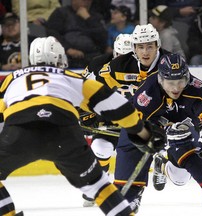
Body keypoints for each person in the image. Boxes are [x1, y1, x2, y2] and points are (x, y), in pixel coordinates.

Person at [0, 36, 166, 216]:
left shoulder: (10, 79)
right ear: (60, 58)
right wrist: (143, 132)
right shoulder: (68, 76)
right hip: (63, 136)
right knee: (101, 187)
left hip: (19, 132)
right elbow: (116, 106)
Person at [115, 53, 202, 215]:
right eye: (170, 83)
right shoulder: (148, 93)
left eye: (180, 82)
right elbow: (135, 125)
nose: (176, 88)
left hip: (183, 132)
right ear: (161, 80)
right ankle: (134, 191)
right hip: (147, 130)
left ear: (187, 77)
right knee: (124, 202)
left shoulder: (197, 89)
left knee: (185, 176)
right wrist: (161, 138)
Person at [82, 23, 170, 209]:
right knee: (101, 148)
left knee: (174, 167)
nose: (144, 52)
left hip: (145, 118)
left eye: (149, 47)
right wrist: (87, 112)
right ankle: (100, 182)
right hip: (113, 119)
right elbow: (89, 91)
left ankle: (161, 163)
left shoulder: (164, 62)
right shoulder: (106, 66)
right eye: (140, 48)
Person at [46, 0, 107, 68]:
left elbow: (103, 37)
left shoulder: (96, 16)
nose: (86, 2)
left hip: (92, 55)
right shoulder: (61, 13)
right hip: (67, 55)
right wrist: (67, 49)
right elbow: (53, 34)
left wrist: (88, 19)